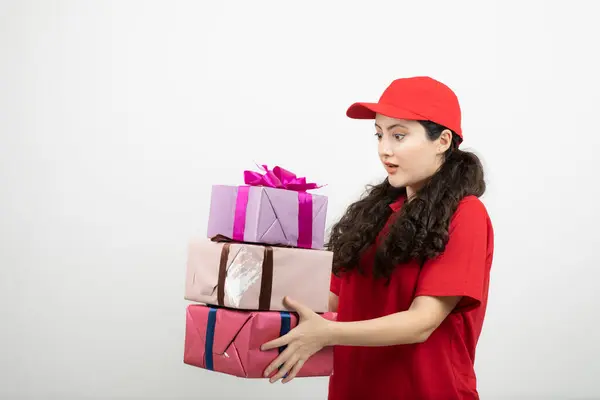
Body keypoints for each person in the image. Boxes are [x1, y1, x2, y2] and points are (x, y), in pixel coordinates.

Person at [261, 76, 494, 400]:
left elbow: (422, 322)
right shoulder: (376, 215)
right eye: (380, 135)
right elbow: (332, 303)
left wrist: (328, 333)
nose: (385, 149)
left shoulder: (466, 214)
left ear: (442, 140)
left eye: (399, 136)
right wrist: (255, 278)